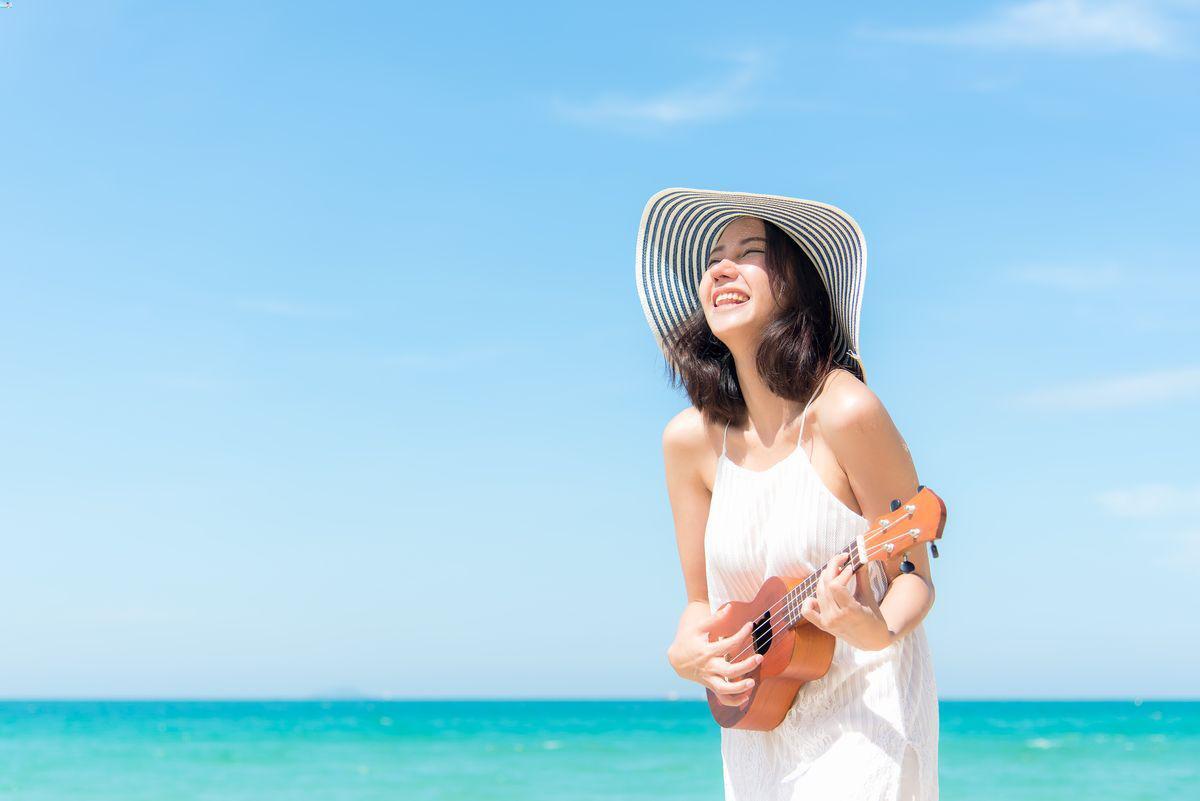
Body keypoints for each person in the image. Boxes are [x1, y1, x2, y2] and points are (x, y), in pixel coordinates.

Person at [634, 188, 939, 800]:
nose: (721, 267)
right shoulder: (690, 443)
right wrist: (685, 655)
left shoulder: (845, 410)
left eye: (749, 253)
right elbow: (700, 603)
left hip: (865, 717)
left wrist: (871, 628)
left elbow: (913, 574)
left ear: (798, 286)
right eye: (713, 259)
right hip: (758, 732)